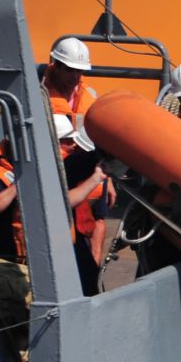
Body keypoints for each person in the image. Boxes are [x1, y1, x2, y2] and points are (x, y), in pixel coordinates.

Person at [55, 113, 111, 295]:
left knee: (88, 276)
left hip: (74, 237)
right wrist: (96, 178)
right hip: (56, 243)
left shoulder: (68, 163)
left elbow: (87, 161)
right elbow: (63, 202)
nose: (73, 144)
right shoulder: (56, 168)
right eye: (66, 140)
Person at [42, 36, 98, 117]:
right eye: (69, 70)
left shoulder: (91, 95)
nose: (75, 76)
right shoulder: (38, 94)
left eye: (79, 70)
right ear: (57, 66)